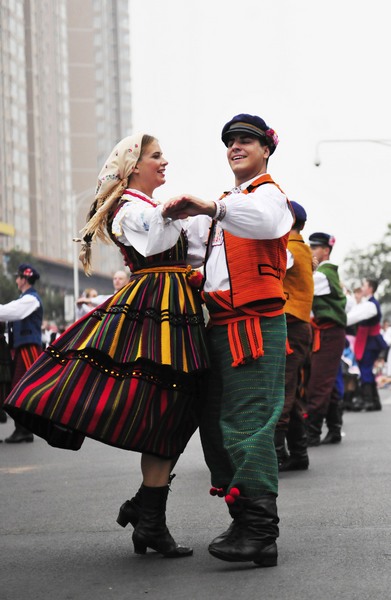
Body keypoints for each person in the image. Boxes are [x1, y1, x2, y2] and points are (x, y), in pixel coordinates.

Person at [3, 133, 209, 558]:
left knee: (177, 408)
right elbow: (153, 244)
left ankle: (147, 512)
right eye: (156, 156)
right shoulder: (129, 209)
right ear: (133, 166)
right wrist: (178, 212)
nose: (165, 161)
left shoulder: (153, 208)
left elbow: (194, 253)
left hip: (176, 306)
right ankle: (148, 516)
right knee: (163, 406)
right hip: (152, 305)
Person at [163, 113, 294, 566]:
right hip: (221, 326)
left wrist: (209, 209)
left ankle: (260, 532)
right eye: (231, 142)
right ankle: (245, 521)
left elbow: (263, 222)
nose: (236, 147)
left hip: (254, 327)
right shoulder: (226, 204)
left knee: (248, 424)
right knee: (218, 427)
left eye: (246, 141)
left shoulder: (269, 195)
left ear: (266, 151)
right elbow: (188, 242)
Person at [274, 201, 314, 472]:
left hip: (290, 324)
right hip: (299, 326)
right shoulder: (301, 248)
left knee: (282, 389)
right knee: (292, 389)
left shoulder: (287, 250)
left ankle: (275, 454)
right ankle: (298, 453)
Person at [305, 233, 347, 446]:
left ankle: (311, 434)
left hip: (328, 333)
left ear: (325, 251)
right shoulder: (326, 274)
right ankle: (334, 429)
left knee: (318, 384)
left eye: (315, 248)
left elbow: (302, 289)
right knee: (326, 382)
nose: (311, 251)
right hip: (328, 333)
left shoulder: (322, 275)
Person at [0, 264, 43, 443]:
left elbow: (10, 312)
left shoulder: (31, 299)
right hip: (21, 347)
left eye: (18, 277)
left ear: (24, 279)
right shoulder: (24, 299)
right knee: (18, 388)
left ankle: (25, 429)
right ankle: (23, 428)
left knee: (22, 388)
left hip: (29, 348)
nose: (16, 281)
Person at [346, 278, 388, 411]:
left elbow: (354, 317)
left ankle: (369, 401)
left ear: (370, 288)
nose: (362, 288)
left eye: (364, 285)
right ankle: (374, 401)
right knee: (366, 369)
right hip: (368, 340)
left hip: (370, 341)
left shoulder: (371, 304)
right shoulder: (369, 303)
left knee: (365, 369)